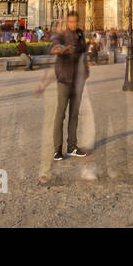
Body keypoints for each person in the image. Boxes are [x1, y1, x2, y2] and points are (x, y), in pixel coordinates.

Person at [49, 12, 90, 160]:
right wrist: (64, 49)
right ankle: (57, 149)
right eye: (71, 22)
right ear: (67, 22)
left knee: (74, 114)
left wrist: (85, 72)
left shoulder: (80, 35)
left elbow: (84, 53)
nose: (73, 24)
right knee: (60, 114)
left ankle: (72, 146)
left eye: (75, 22)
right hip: (64, 78)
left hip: (78, 80)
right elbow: (53, 49)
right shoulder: (60, 34)